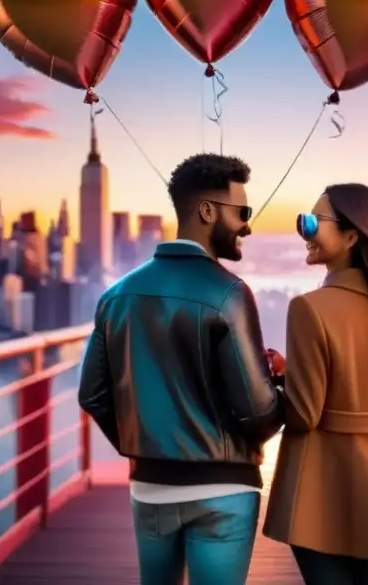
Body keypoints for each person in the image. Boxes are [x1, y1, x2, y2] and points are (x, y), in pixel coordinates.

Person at [78, 153, 284, 585]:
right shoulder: (229, 292)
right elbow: (258, 415)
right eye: (242, 212)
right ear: (207, 211)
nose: (248, 224)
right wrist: (280, 385)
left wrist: (146, 444)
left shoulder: (116, 295)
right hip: (222, 492)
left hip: (150, 487)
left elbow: (92, 395)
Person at [263, 183, 368, 585]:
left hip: (320, 486)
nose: (304, 232)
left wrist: (267, 386)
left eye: (311, 222)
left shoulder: (308, 309)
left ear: (351, 235)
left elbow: (304, 415)